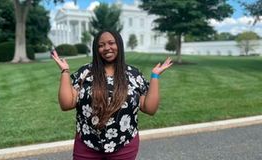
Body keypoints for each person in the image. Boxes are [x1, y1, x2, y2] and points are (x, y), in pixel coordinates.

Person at [51, 30, 173, 160]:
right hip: (87, 145)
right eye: (101, 45)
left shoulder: (133, 74)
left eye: (111, 43)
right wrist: (65, 71)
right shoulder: (85, 72)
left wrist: (155, 76)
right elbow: (66, 104)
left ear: (119, 45)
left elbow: (150, 109)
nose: (107, 48)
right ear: (96, 49)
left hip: (124, 146)